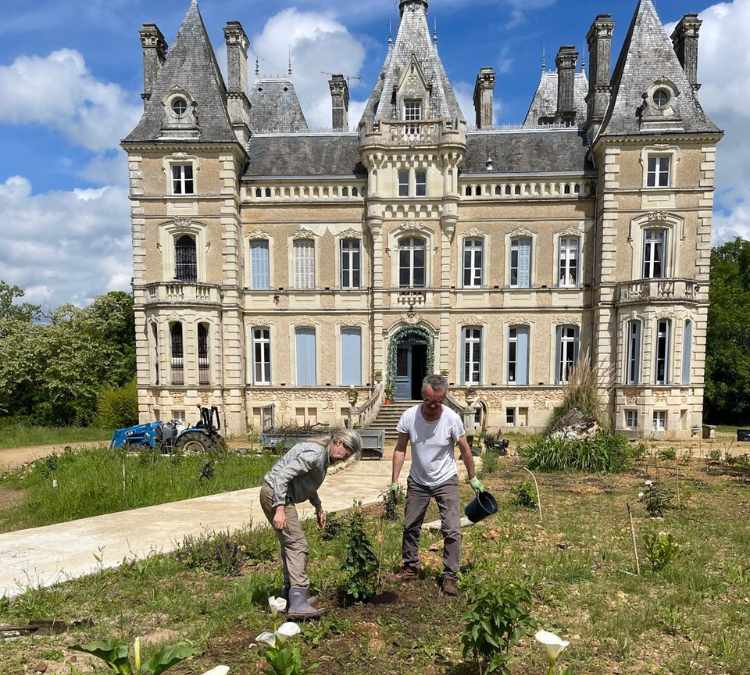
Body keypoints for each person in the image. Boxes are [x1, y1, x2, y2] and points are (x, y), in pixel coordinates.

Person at [390, 374, 484, 596]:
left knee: (452, 528)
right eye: (429, 401)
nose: (433, 406)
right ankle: (410, 567)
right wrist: (394, 480)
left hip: (446, 480)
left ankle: (450, 576)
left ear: (444, 397)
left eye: (438, 402)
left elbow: (465, 449)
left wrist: (472, 478)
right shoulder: (409, 417)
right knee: (410, 525)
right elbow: (400, 448)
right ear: (423, 395)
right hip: (418, 480)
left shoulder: (451, 418)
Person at [260, 428, 362, 619]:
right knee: (297, 545)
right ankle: (298, 601)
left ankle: (290, 596)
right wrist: (280, 508)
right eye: (347, 451)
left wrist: (318, 506)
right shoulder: (315, 454)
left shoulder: (320, 455)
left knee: (290, 545)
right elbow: (282, 476)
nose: (345, 457)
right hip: (276, 494)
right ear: (339, 443)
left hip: (277, 494)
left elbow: (307, 483)